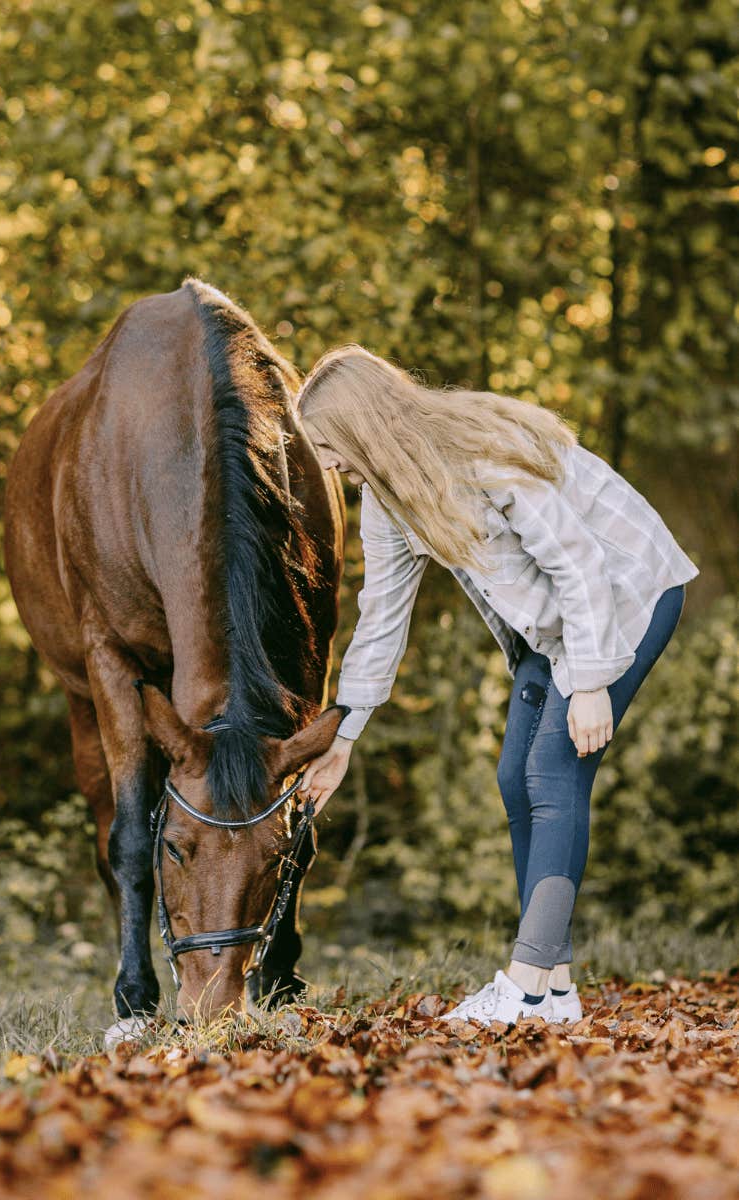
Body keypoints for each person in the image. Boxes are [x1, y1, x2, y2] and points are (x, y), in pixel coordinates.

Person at [296, 345, 699, 1028]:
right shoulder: (391, 502)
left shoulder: (484, 454)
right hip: (556, 627)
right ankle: (557, 990)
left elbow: (577, 565)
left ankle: (524, 987)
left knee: (552, 772)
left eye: (329, 445)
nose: (328, 465)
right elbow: (381, 622)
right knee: (516, 776)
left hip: (626, 590)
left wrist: (594, 681)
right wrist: (345, 736)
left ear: (364, 429)